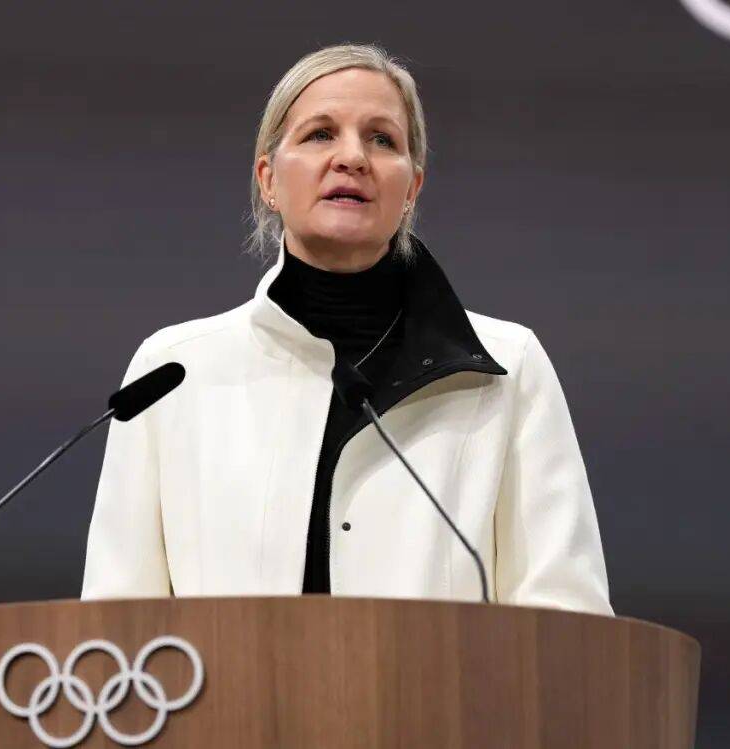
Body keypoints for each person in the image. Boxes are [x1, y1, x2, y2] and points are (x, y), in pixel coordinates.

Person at [81, 43, 612, 615]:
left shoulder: (508, 368)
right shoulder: (172, 372)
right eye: (320, 134)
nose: (352, 157)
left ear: (412, 188)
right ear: (267, 179)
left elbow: (567, 620)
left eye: (382, 139)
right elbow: (117, 628)